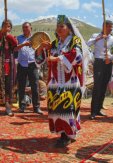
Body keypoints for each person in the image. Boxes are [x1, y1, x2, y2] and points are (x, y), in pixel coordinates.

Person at [35, 15, 91, 148]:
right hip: (54, 81)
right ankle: (63, 134)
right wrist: (40, 48)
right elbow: (40, 60)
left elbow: (77, 56)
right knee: (56, 108)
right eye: (58, 27)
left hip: (71, 81)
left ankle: (67, 135)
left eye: (62, 26)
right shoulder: (54, 43)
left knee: (69, 107)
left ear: (69, 29)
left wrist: (56, 59)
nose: (59, 29)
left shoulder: (75, 41)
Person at [87, 20, 113, 120]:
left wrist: (110, 59)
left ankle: (99, 108)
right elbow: (88, 44)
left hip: (108, 62)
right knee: (97, 86)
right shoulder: (95, 35)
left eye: (111, 27)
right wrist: (98, 39)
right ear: (103, 26)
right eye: (108, 26)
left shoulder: (112, 38)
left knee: (104, 85)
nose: (110, 29)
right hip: (99, 62)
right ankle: (93, 111)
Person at [14, 22, 42, 114]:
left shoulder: (36, 39)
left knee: (35, 86)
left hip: (33, 64)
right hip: (21, 64)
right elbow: (14, 49)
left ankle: (36, 107)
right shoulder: (18, 38)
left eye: (26, 27)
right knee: (21, 86)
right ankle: (22, 106)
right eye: (23, 27)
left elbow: (39, 51)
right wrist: (24, 44)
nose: (25, 29)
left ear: (31, 28)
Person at [0, 20, 18, 116]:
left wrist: (7, 35)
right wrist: (2, 32)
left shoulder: (12, 38)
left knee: (9, 85)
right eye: (4, 26)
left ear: (10, 28)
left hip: (10, 65)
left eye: (8, 26)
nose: (7, 28)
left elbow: (15, 44)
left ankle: (8, 107)